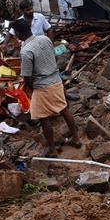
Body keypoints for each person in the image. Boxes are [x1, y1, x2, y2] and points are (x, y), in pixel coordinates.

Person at [15, 19, 80, 157]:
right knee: (64, 109)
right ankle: (76, 138)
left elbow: (27, 76)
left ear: (19, 34)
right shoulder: (45, 39)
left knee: (44, 118)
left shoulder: (26, 51)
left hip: (42, 86)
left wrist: (30, 89)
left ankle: (53, 149)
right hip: (56, 80)